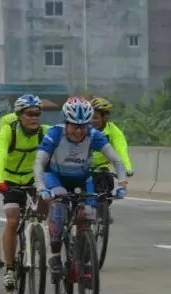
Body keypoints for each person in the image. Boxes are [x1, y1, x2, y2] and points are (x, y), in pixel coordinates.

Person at [33, 97, 128, 277]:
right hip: (56, 177)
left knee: (88, 213)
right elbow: (39, 162)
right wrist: (41, 187)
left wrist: (122, 184)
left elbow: (116, 160)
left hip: (82, 178)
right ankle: (54, 255)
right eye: (74, 126)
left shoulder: (94, 135)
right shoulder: (55, 133)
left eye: (83, 126)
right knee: (59, 207)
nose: (78, 131)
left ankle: (82, 249)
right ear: (66, 123)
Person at [0, 94, 48, 291]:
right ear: (19, 115)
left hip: (33, 178)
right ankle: (10, 268)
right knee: (13, 220)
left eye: (37, 114)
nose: (34, 118)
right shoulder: (8, 132)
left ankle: (38, 233)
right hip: (10, 179)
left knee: (47, 203)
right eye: (29, 114)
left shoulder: (45, 132)